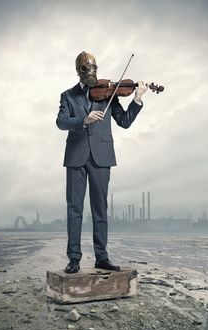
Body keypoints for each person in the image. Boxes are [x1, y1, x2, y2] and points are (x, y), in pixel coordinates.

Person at [56, 51, 148, 273]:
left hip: (101, 156)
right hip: (76, 156)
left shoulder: (110, 92)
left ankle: (102, 257)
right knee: (74, 209)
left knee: (100, 209)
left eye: (94, 68)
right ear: (79, 71)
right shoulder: (67, 95)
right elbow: (60, 122)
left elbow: (124, 122)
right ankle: (74, 259)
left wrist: (137, 99)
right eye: (87, 69)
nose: (92, 73)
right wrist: (84, 120)